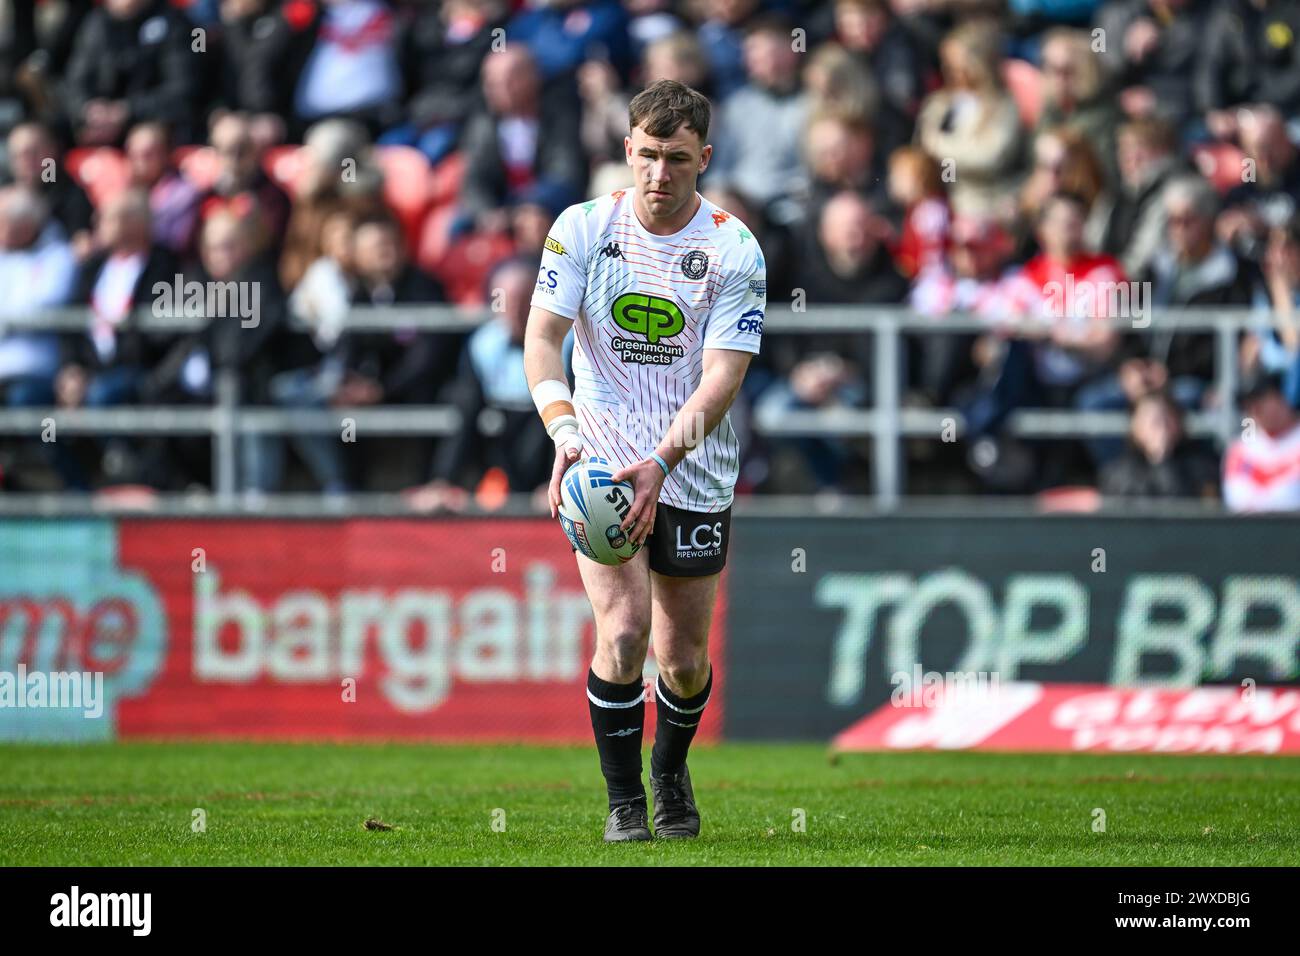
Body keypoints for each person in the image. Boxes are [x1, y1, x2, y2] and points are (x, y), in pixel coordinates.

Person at [524, 79, 764, 842]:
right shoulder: (583, 227)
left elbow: (722, 378)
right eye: (648, 156)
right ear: (627, 150)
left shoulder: (733, 248)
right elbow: (539, 340)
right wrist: (566, 439)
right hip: (598, 463)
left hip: (690, 469)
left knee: (682, 661)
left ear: (705, 159)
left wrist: (662, 462)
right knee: (623, 633)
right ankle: (626, 802)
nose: (661, 175)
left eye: (679, 160)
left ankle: (669, 769)